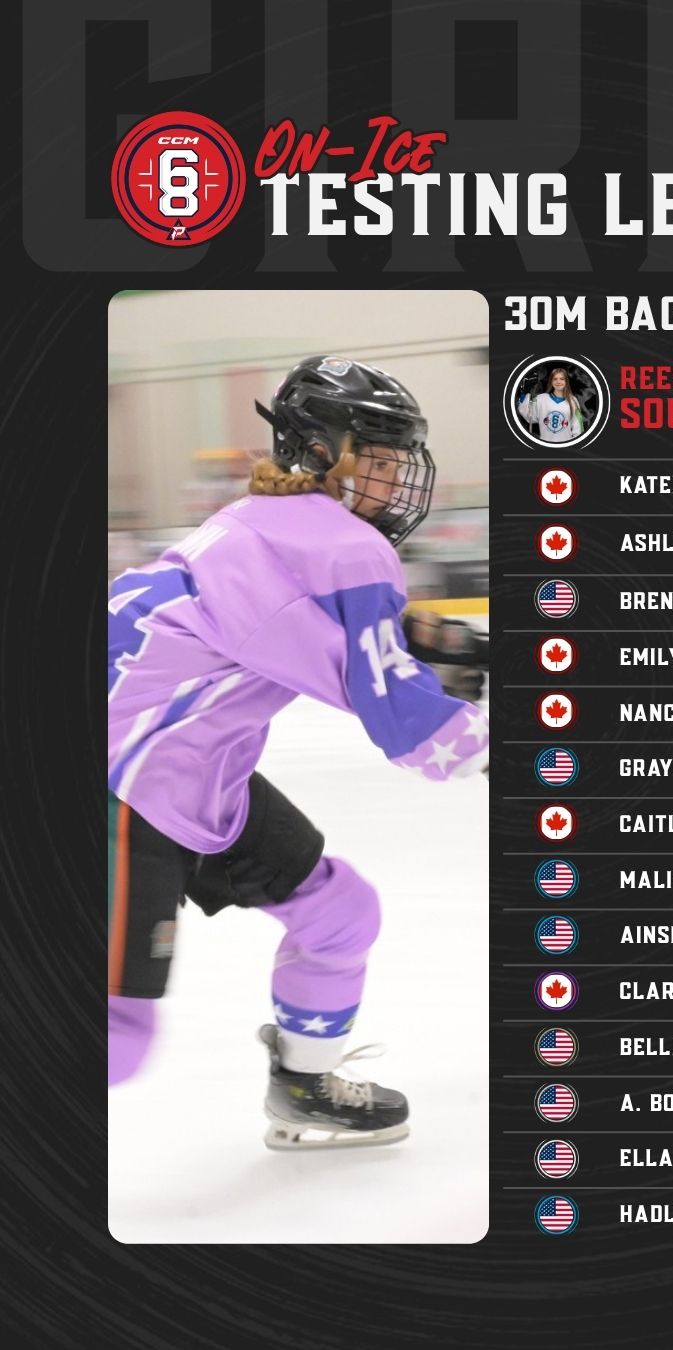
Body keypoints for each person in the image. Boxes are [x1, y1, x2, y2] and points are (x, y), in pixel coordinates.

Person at [107, 355, 489, 1150]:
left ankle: (305, 1085)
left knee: (339, 912)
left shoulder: (262, 520)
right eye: (378, 460)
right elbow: (416, 734)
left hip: (185, 772)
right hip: (124, 785)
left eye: (398, 461)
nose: (396, 480)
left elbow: (312, 628)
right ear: (321, 452)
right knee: (115, 1038)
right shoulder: (347, 549)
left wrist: (448, 645)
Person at [516, 365, 587, 443]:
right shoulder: (541, 398)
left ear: (566, 381)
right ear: (551, 381)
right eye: (555, 379)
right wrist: (524, 394)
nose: (558, 382)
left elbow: (578, 427)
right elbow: (529, 416)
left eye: (561, 379)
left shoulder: (572, 400)